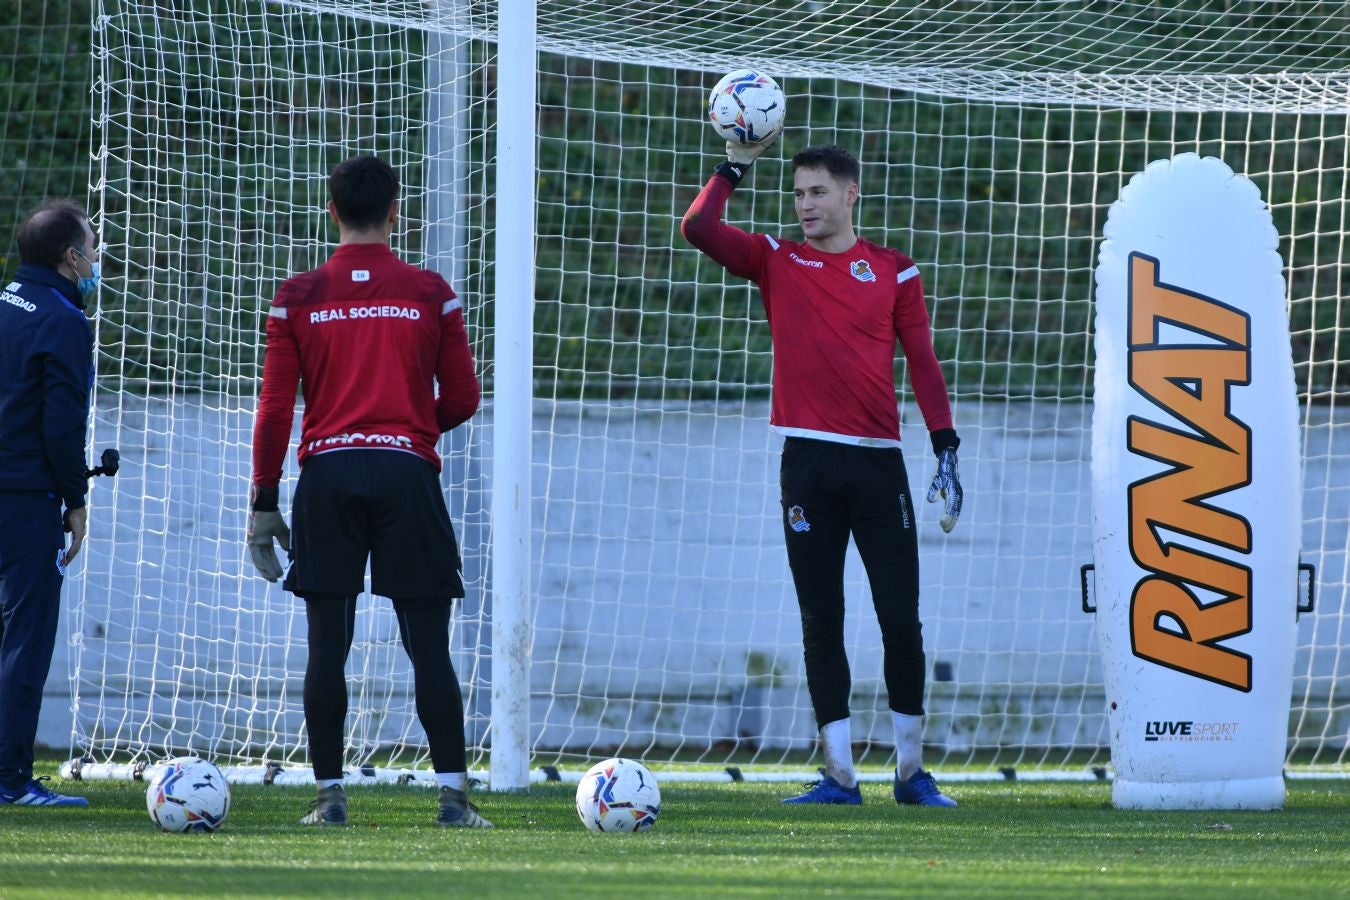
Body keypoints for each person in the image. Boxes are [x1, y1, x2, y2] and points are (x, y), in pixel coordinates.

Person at [681, 139, 964, 807]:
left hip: (878, 464)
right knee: (820, 618)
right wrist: (734, 163)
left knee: (901, 618)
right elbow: (699, 227)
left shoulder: (894, 271)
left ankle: (910, 773)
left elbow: (922, 361)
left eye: (817, 192)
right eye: (798, 194)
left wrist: (945, 444)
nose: (804, 205)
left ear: (849, 194)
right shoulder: (775, 259)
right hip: (806, 463)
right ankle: (839, 774)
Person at [247, 155, 489, 828]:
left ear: (332, 212)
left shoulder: (298, 295)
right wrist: (407, 428)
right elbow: (464, 398)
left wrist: (263, 502)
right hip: (406, 473)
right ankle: (453, 799)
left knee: (328, 645)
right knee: (428, 644)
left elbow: (275, 408)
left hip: (327, 475)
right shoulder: (430, 291)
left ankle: (329, 799)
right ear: (394, 213)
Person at [0, 201, 100, 807]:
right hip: (23, 500)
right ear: (70, 257)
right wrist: (75, 499)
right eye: (92, 246)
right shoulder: (63, 320)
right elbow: (62, 426)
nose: (96, 257)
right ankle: (11, 779)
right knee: (24, 639)